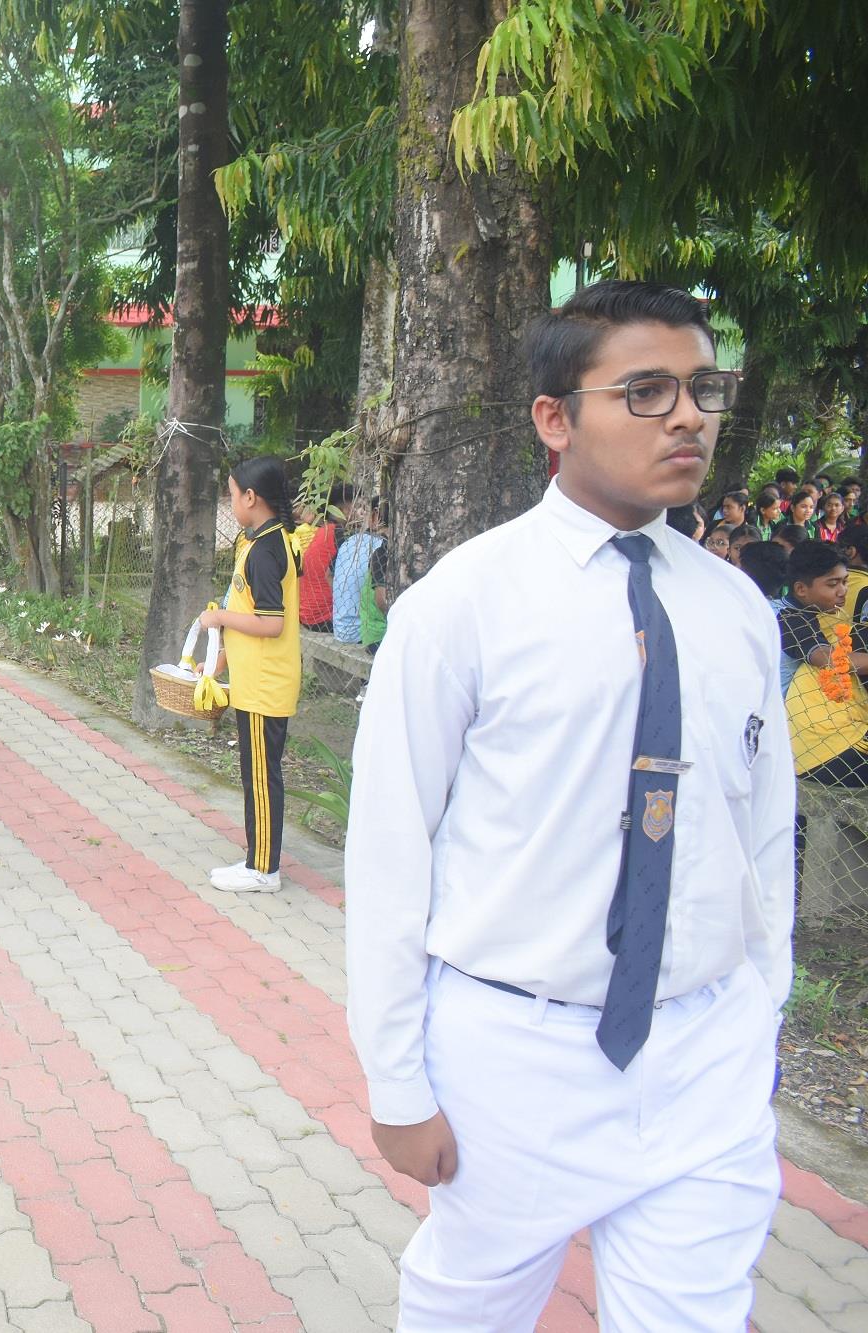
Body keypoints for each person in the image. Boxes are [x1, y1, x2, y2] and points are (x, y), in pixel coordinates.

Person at [346, 280, 790, 1331]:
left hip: (703, 1055)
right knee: (466, 1310)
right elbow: (388, 853)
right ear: (554, 419)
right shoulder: (461, 603)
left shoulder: (733, 607)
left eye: (700, 387)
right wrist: (396, 1081)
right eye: (643, 391)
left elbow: (762, 831)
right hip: (515, 1053)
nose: (686, 416)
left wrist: (757, 1008)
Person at [195, 455, 303, 894]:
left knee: (260, 775)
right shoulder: (265, 541)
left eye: (232, 493)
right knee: (257, 772)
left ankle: (263, 869)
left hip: (264, 684)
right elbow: (250, 612)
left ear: (252, 497)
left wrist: (219, 618)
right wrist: (219, 660)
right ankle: (257, 861)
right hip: (255, 679)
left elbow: (270, 622)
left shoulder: (265, 551)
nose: (231, 500)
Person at [778, 539, 868, 786]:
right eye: (833, 584)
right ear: (801, 589)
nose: (843, 591)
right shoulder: (789, 619)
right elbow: (828, 658)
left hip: (841, 726)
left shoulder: (830, 613)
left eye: (845, 581)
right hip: (821, 743)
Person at [331, 494, 383, 645]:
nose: (360, 513)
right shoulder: (381, 546)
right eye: (359, 508)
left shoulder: (349, 542)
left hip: (340, 628)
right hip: (361, 632)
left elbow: (329, 575)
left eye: (363, 509)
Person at [298, 485, 350, 634]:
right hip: (324, 617)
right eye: (358, 506)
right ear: (344, 509)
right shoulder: (340, 534)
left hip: (309, 615)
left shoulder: (324, 530)